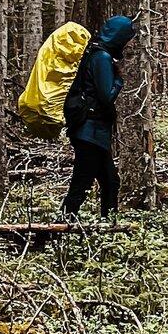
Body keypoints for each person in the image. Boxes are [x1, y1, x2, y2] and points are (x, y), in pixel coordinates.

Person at [61, 15, 136, 219]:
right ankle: (61, 228)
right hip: (90, 132)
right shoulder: (101, 58)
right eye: (126, 39)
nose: (127, 44)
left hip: (92, 132)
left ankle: (108, 228)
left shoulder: (94, 53)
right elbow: (106, 96)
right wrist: (119, 81)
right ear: (119, 37)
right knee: (82, 184)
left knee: (110, 181)